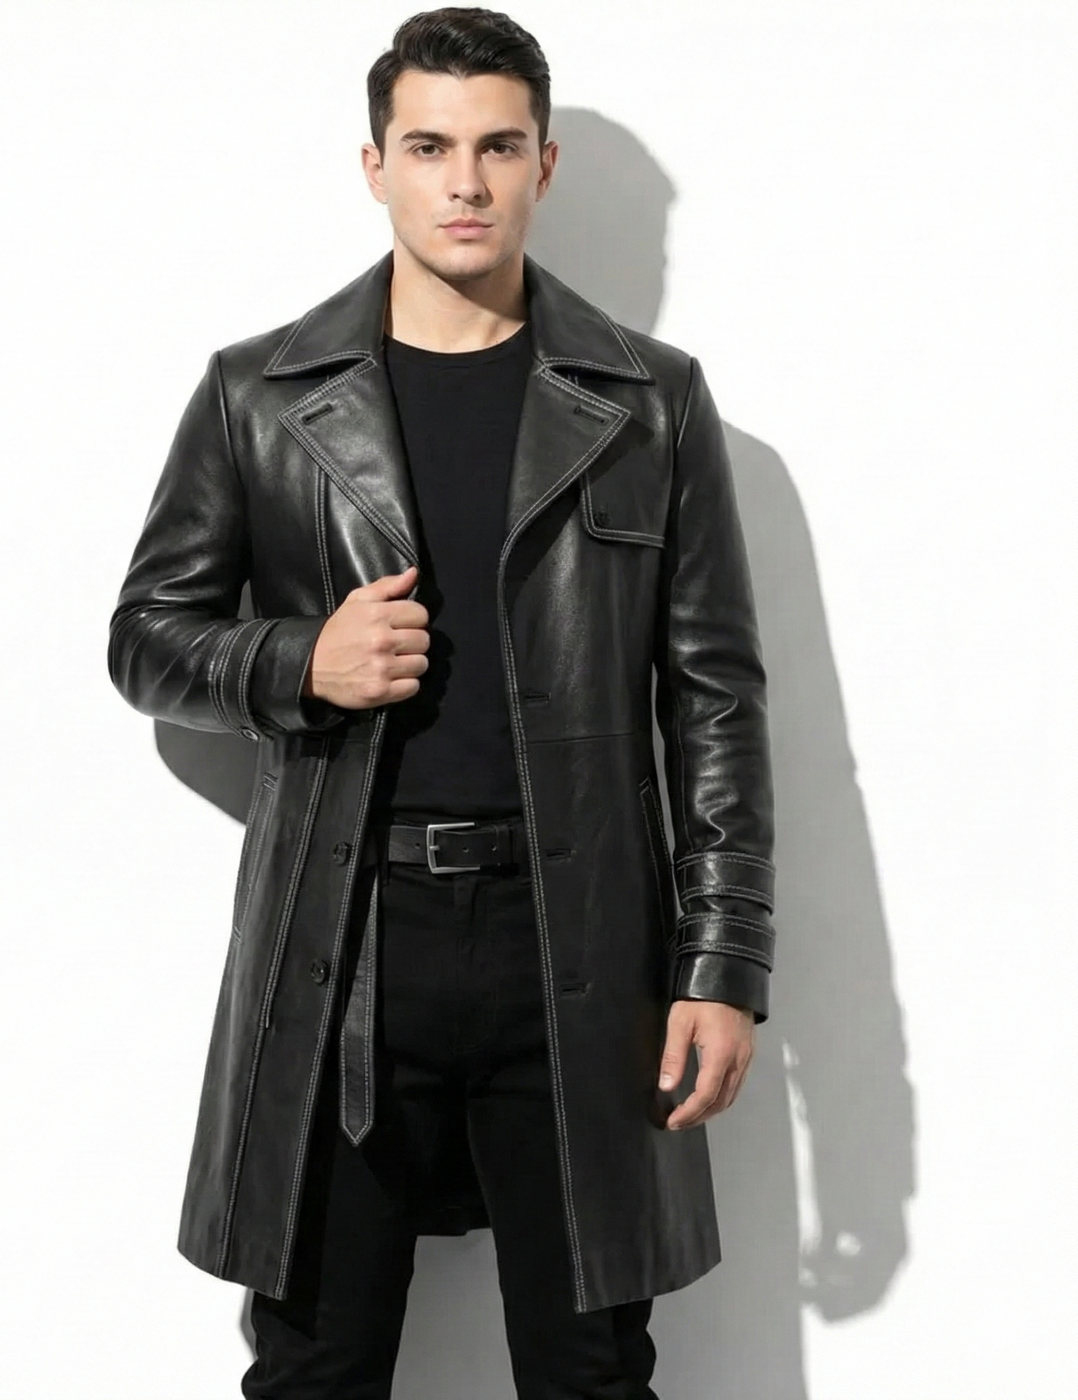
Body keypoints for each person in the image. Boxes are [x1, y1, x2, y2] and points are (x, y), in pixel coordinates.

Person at [107, 8, 776, 1397]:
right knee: (315, 1366)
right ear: (375, 166)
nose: (464, 183)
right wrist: (301, 662)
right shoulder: (262, 395)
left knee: (592, 1371)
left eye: (497, 148)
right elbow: (145, 640)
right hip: (344, 947)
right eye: (428, 147)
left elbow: (714, 702)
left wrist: (722, 968)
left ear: (543, 166)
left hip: (577, 948)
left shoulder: (649, 403)